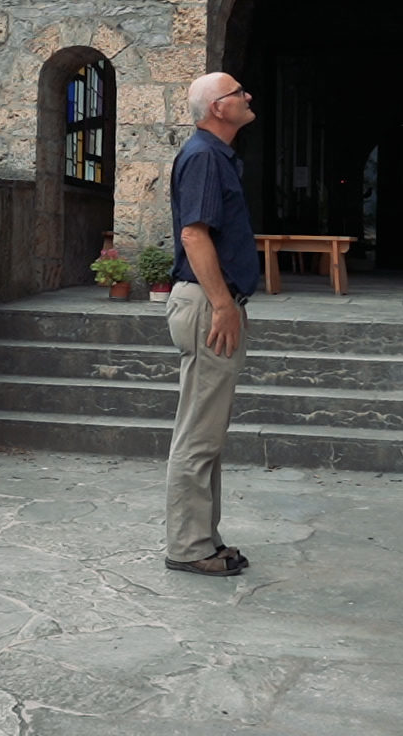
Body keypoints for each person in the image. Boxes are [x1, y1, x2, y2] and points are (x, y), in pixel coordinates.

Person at [163, 71, 261, 576]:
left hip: (212, 301)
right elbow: (194, 235)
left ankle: (203, 537)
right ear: (217, 109)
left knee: (208, 431)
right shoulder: (203, 156)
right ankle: (188, 547)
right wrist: (224, 306)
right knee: (199, 433)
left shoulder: (212, 155)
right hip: (207, 304)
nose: (247, 96)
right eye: (238, 92)